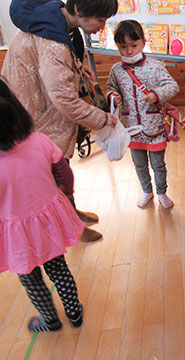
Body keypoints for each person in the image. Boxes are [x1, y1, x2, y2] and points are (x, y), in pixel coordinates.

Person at [1, 0, 119, 242]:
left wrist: (77, 67)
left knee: (59, 170)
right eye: (100, 19)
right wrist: (103, 118)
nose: (101, 27)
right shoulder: (51, 40)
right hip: (33, 117)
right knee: (53, 175)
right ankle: (70, 227)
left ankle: (72, 214)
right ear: (77, 10)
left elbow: (56, 68)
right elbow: (64, 99)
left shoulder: (55, 22)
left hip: (36, 111)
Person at [0, 78, 85, 332]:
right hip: (48, 222)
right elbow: (64, 173)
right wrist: (66, 193)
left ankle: (50, 320)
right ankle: (75, 314)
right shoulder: (39, 140)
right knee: (59, 270)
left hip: (16, 233)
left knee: (30, 279)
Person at [107, 20, 180, 209]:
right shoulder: (116, 70)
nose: (128, 51)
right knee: (139, 164)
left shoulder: (155, 66)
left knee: (158, 165)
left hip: (153, 127)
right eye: (123, 47)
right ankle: (147, 191)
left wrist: (156, 95)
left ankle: (162, 192)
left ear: (143, 42)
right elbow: (110, 89)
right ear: (117, 46)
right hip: (130, 128)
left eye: (133, 45)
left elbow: (172, 86)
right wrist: (112, 96)